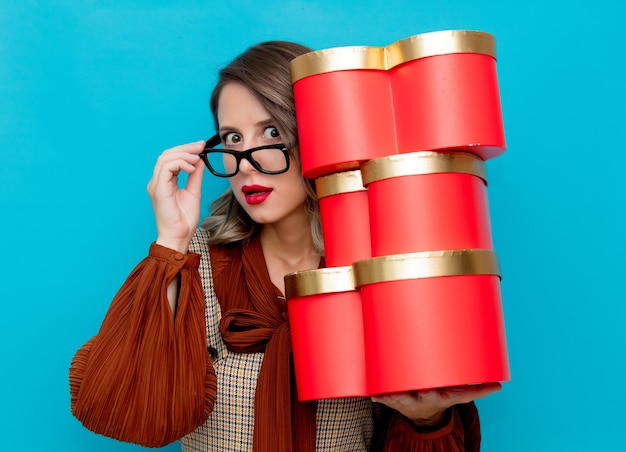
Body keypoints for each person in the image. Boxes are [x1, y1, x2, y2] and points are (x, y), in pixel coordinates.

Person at [69, 40, 501, 451]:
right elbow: (130, 409)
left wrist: (425, 419)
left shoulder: (379, 265)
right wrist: (170, 241)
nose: (246, 164)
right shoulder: (193, 261)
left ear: (318, 133)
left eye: (270, 131)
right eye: (233, 139)